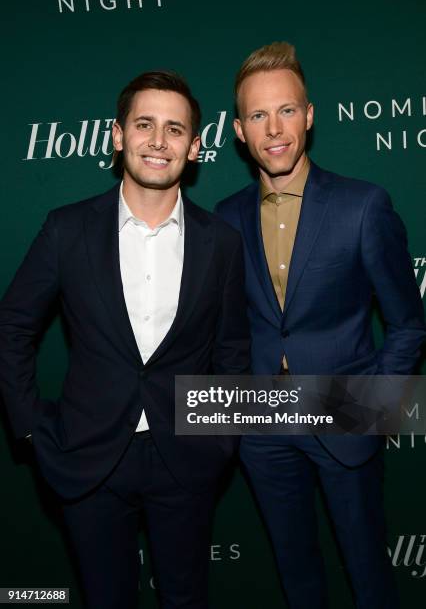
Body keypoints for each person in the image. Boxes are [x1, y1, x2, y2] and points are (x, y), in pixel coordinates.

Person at [0, 71, 250, 609]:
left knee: (186, 599)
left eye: (175, 129)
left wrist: (220, 439)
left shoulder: (222, 243)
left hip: (187, 457)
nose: (159, 140)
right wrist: (29, 429)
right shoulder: (67, 229)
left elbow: (232, 349)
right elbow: (13, 326)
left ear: (195, 147)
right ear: (118, 136)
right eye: (145, 124)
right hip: (87, 457)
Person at [215, 42, 425, 608]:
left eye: (286, 110)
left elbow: (408, 323)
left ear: (309, 116)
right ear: (239, 130)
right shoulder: (225, 220)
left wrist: (371, 408)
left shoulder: (363, 206)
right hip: (260, 425)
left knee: (368, 576)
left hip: (344, 413)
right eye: (258, 115)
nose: (274, 128)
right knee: (296, 576)